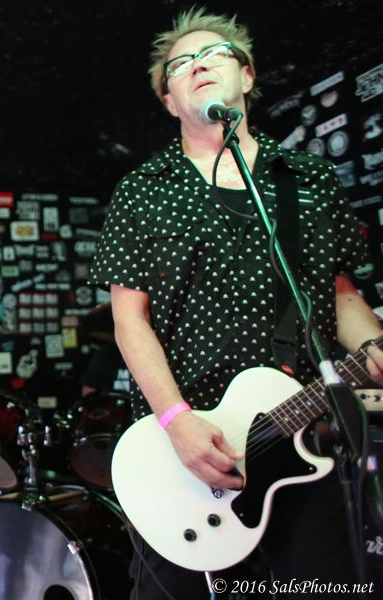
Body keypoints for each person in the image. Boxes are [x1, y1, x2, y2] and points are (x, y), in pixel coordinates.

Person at [90, 7, 383, 599]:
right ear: (169, 100)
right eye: (180, 65)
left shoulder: (308, 179)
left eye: (214, 54)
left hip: (306, 436)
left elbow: (339, 293)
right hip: (187, 453)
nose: (198, 66)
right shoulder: (143, 191)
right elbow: (129, 320)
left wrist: (373, 345)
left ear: (246, 75)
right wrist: (176, 421)